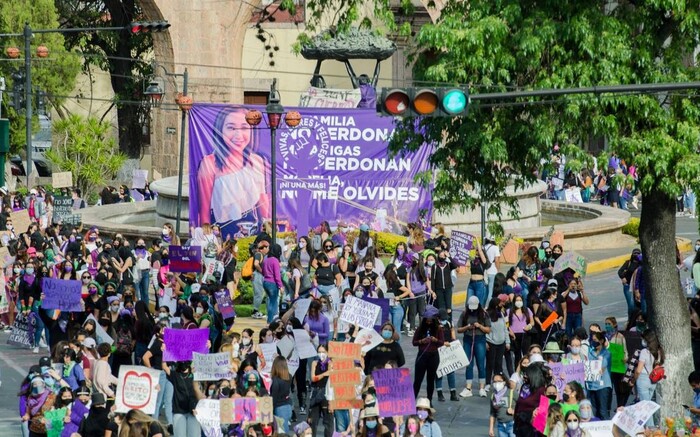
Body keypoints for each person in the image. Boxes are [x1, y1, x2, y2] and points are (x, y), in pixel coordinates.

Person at [196, 107, 269, 229]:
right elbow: (204, 208)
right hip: (222, 229)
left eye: (244, 128)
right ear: (220, 129)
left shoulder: (256, 161)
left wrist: (268, 227)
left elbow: (262, 201)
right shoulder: (209, 163)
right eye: (231, 127)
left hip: (253, 229)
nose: (238, 135)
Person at [458, 296, 491, 398]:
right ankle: (468, 388)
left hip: (480, 340)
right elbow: (459, 329)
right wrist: (467, 327)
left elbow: (488, 330)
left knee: (481, 364)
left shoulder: (484, 314)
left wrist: (479, 326)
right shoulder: (464, 314)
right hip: (468, 340)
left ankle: (482, 387)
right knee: (468, 364)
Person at [412, 305, 444, 402]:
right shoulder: (420, 329)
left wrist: (435, 340)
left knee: (430, 380)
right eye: (427, 320)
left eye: (431, 320)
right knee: (418, 379)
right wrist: (422, 341)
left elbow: (442, 342)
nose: (429, 322)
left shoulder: (439, 329)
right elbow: (414, 342)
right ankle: (413, 399)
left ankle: (429, 400)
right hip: (422, 355)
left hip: (433, 356)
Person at [635, 329, 664, 427]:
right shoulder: (659, 351)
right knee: (648, 404)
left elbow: (638, 370)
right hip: (653, 380)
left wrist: (633, 380)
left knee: (645, 407)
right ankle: (647, 426)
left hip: (643, 379)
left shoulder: (644, 351)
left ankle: (650, 428)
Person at [586, 331, 612, 420]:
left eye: (595, 340)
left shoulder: (607, 353)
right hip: (592, 385)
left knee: (603, 411)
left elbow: (603, 366)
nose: (593, 342)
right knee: (595, 410)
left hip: (603, 386)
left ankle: (608, 430)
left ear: (601, 341)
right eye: (592, 340)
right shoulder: (590, 352)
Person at [309, 344, 334, 437]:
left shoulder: (331, 363)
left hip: (327, 394)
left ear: (327, 352)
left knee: (328, 423)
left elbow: (332, 381)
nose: (321, 354)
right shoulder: (314, 363)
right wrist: (325, 374)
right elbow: (313, 378)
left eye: (323, 352)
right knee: (312, 421)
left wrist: (331, 402)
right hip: (315, 393)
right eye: (319, 352)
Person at [435, 309, 459, 402]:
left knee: (451, 372)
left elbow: (452, 331)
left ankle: (453, 393)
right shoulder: (435, 325)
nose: (444, 320)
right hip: (438, 350)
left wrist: (454, 340)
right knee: (439, 372)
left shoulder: (449, 323)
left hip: (449, 349)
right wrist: (442, 343)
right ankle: (439, 394)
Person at [486, 297, 510, 387]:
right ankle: (488, 382)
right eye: (500, 304)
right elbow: (485, 329)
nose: (502, 305)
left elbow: (505, 328)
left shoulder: (501, 314)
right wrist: (486, 341)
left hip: (501, 343)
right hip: (491, 343)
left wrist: (507, 342)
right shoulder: (487, 315)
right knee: (490, 363)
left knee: (499, 364)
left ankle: (498, 381)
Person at [384, 264, 411, 339]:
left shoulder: (396, 283)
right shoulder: (383, 282)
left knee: (396, 328)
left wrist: (399, 297)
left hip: (396, 306)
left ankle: (397, 345)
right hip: (387, 306)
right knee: (388, 327)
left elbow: (407, 291)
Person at [430, 249, 457, 319]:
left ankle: (450, 323)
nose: (442, 257)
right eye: (440, 255)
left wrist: (449, 256)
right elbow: (433, 279)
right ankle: (442, 323)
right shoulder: (435, 266)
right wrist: (433, 291)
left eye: (443, 256)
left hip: (448, 288)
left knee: (448, 308)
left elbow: (455, 266)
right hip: (439, 289)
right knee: (442, 309)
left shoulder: (448, 264)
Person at [508, 294, 534, 365]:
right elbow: (506, 323)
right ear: (514, 302)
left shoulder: (527, 310)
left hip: (525, 334)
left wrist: (529, 326)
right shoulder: (509, 311)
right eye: (517, 300)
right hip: (514, 335)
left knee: (526, 354)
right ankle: (517, 371)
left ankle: (526, 370)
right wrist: (510, 331)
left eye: (520, 300)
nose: (519, 302)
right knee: (517, 355)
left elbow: (532, 322)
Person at [488, 372, 515, 437]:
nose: (497, 384)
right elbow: (492, 413)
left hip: (512, 425)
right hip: (500, 426)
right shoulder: (493, 396)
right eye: (494, 382)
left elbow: (522, 406)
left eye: (499, 381)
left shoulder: (511, 393)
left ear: (504, 382)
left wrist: (514, 411)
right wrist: (491, 429)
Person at [270, 356, 293, 433]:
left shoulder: (276, 380)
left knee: (282, 431)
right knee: (284, 428)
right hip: (288, 406)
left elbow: (274, 397)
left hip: (279, 407)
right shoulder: (289, 376)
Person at [262, 243, 283, 323]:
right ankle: (270, 321)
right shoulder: (275, 261)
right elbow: (277, 276)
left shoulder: (266, 259)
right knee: (273, 303)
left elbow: (263, 272)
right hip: (272, 283)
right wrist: (280, 286)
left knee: (270, 301)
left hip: (266, 282)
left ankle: (271, 319)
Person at [467, 241, 489, 307]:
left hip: (480, 284)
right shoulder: (472, 261)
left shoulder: (484, 261)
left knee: (479, 305)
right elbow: (464, 261)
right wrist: (467, 248)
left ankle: (480, 316)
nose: (477, 252)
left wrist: (476, 239)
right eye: (476, 251)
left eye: (478, 250)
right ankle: (471, 316)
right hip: (471, 283)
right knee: (469, 303)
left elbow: (480, 251)